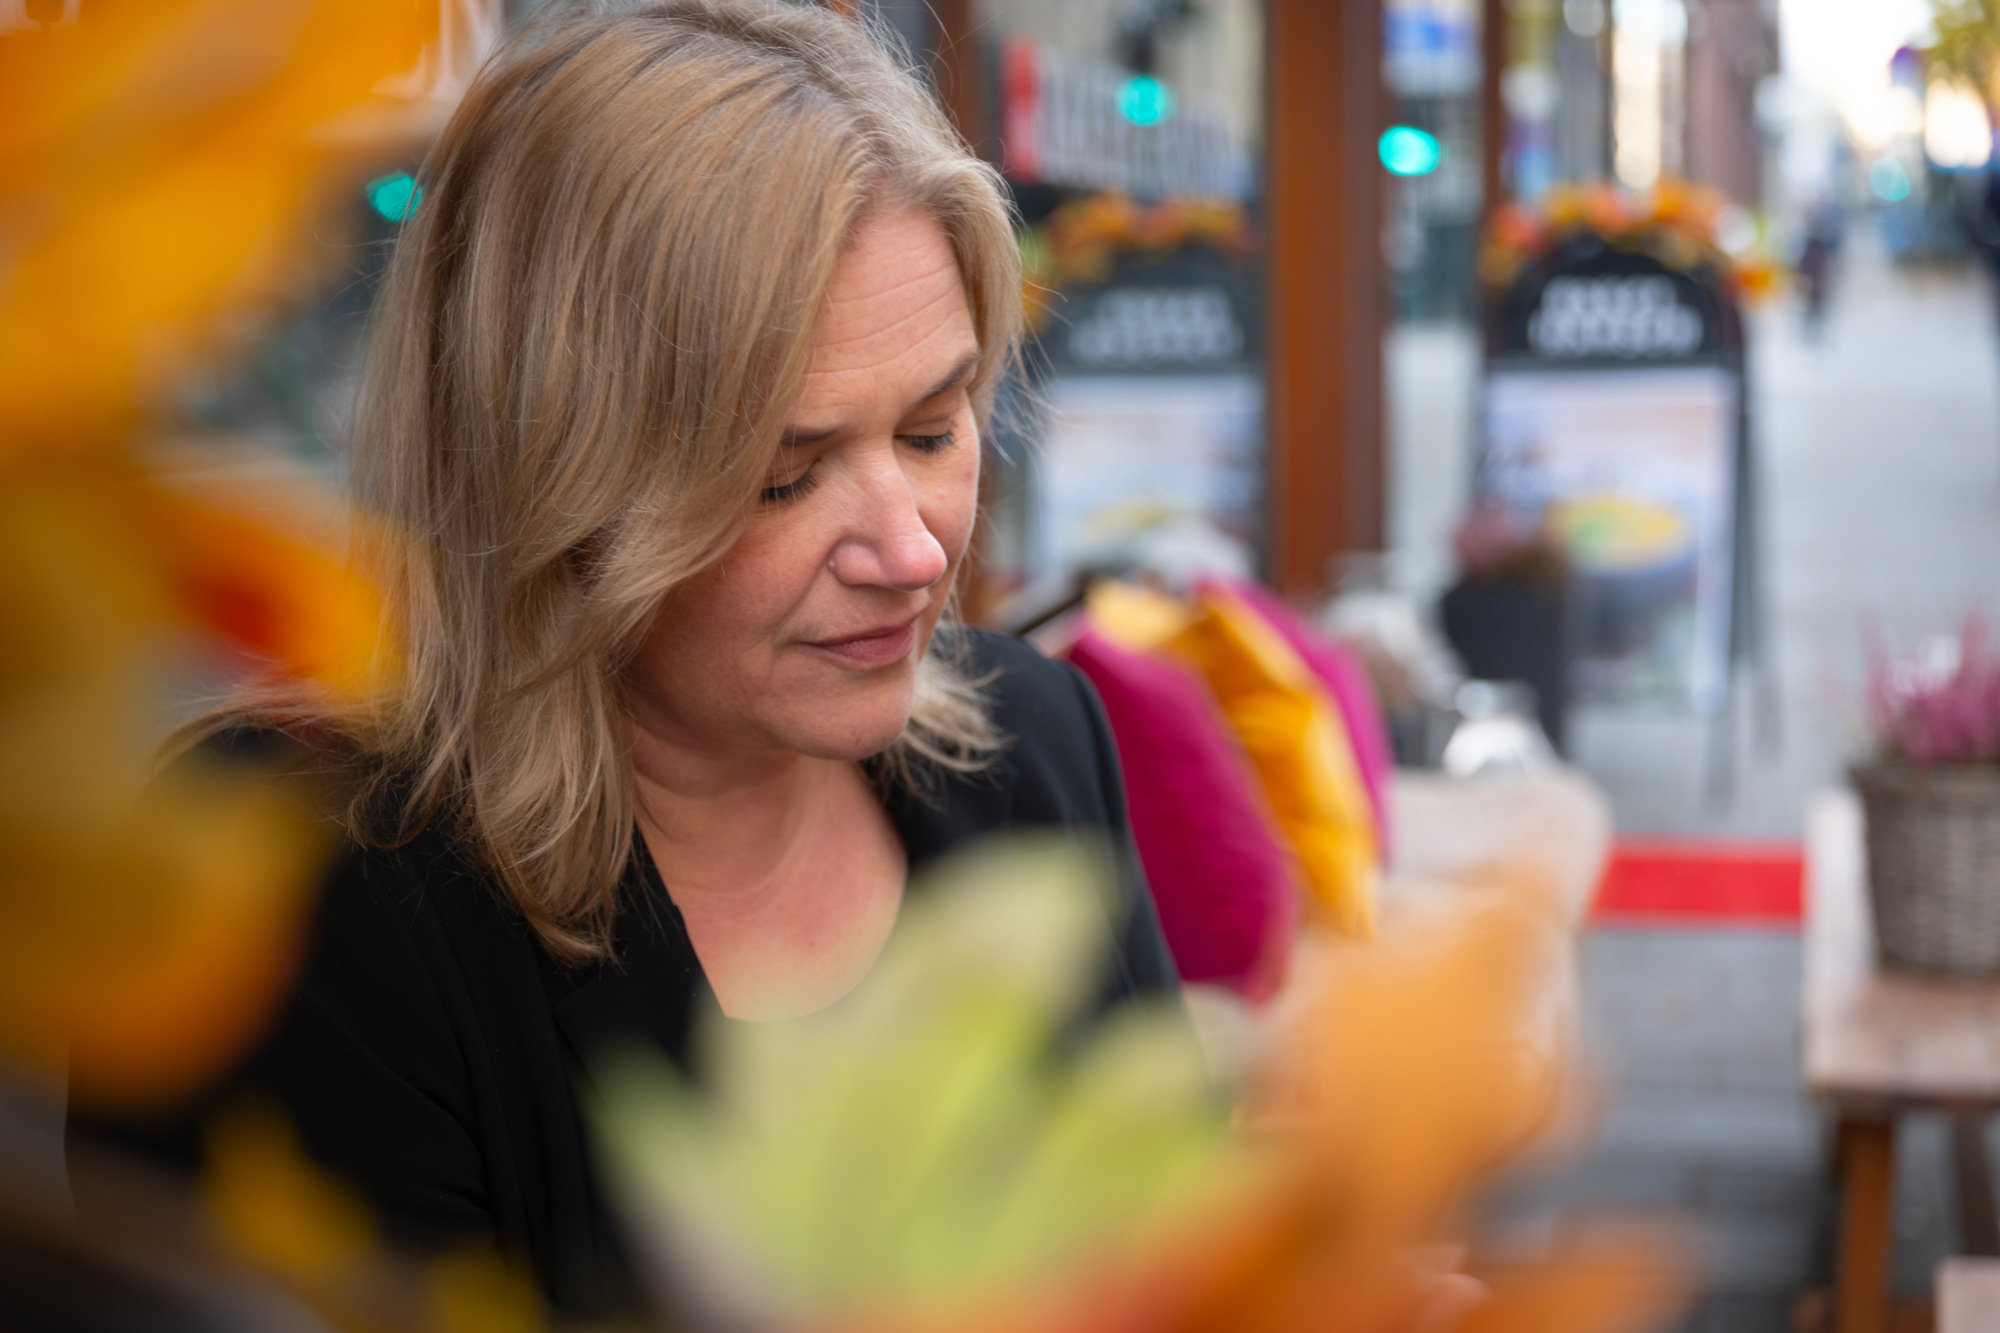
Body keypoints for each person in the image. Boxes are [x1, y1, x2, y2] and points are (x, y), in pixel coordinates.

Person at [72, 1, 1175, 1316]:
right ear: (556, 475)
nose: (914, 551)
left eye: (934, 430)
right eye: (786, 476)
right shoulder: (308, 887)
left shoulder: (1035, 738)